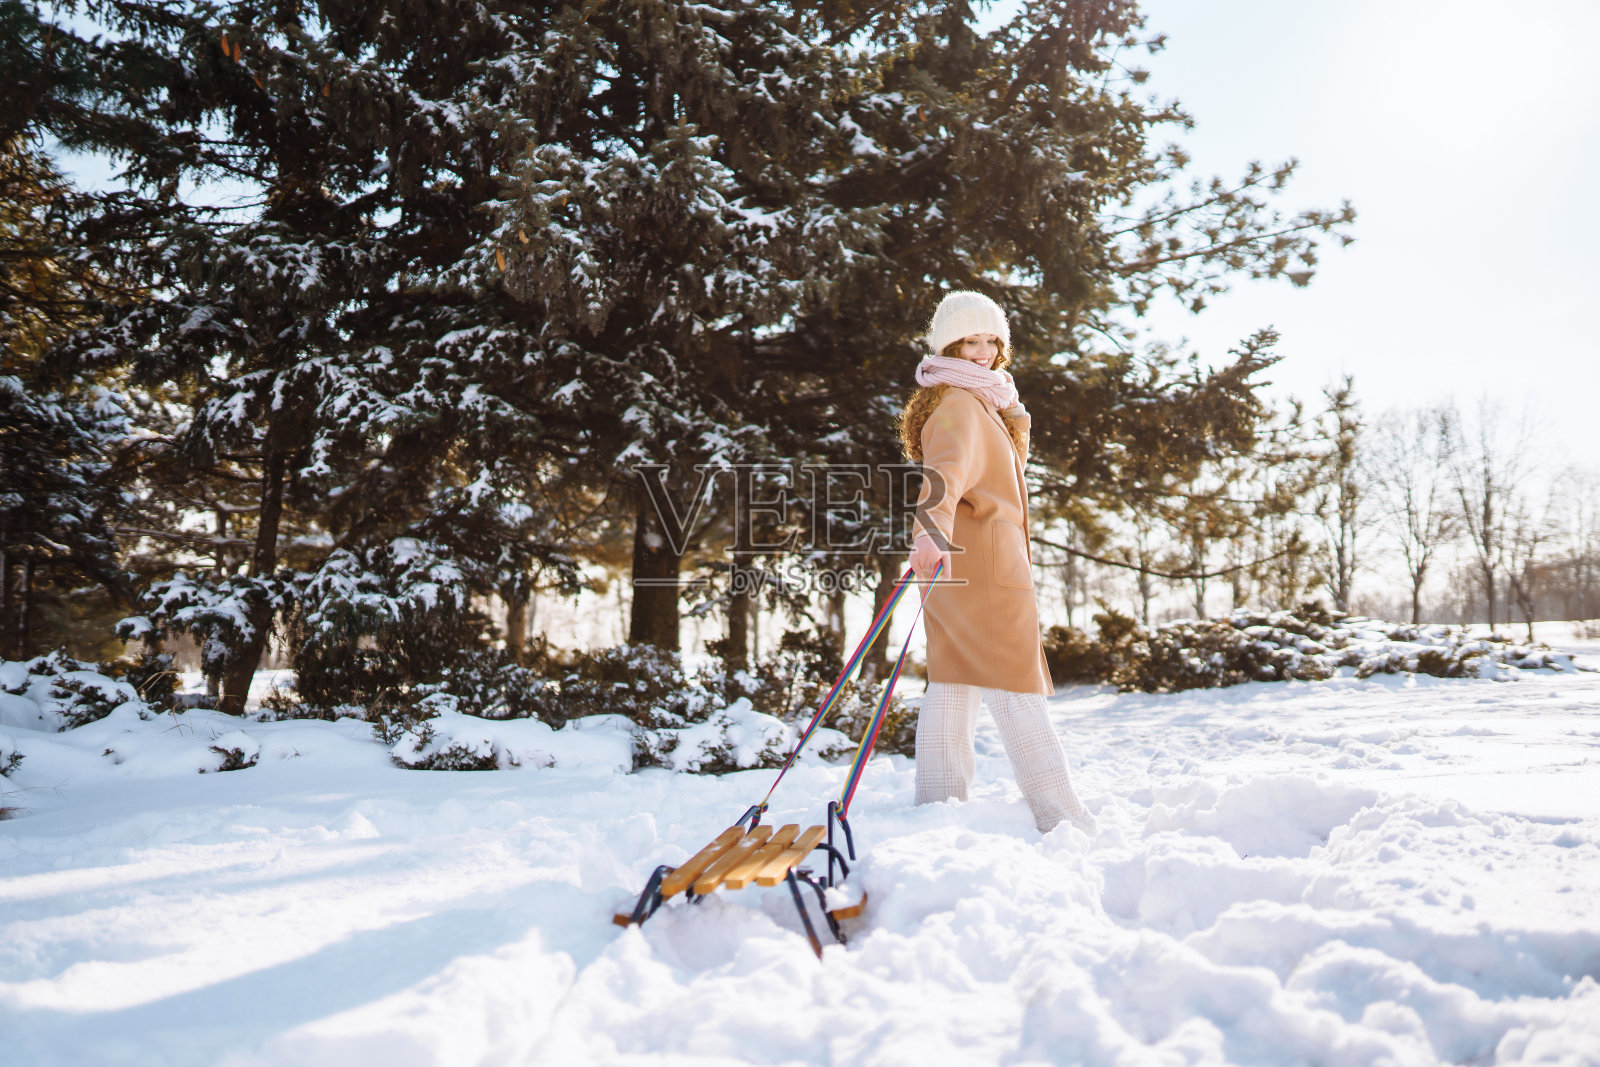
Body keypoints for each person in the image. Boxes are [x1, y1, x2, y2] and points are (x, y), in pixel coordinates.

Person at [900, 290, 1096, 836]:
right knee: (1016, 686)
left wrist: (1015, 418)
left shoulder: (979, 400)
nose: (984, 352)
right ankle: (1063, 819)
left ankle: (937, 809)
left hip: (974, 562)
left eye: (992, 340)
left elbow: (1002, 475)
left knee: (954, 683)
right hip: (979, 564)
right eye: (971, 340)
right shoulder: (960, 405)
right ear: (950, 343)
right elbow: (943, 474)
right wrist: (929, 534)